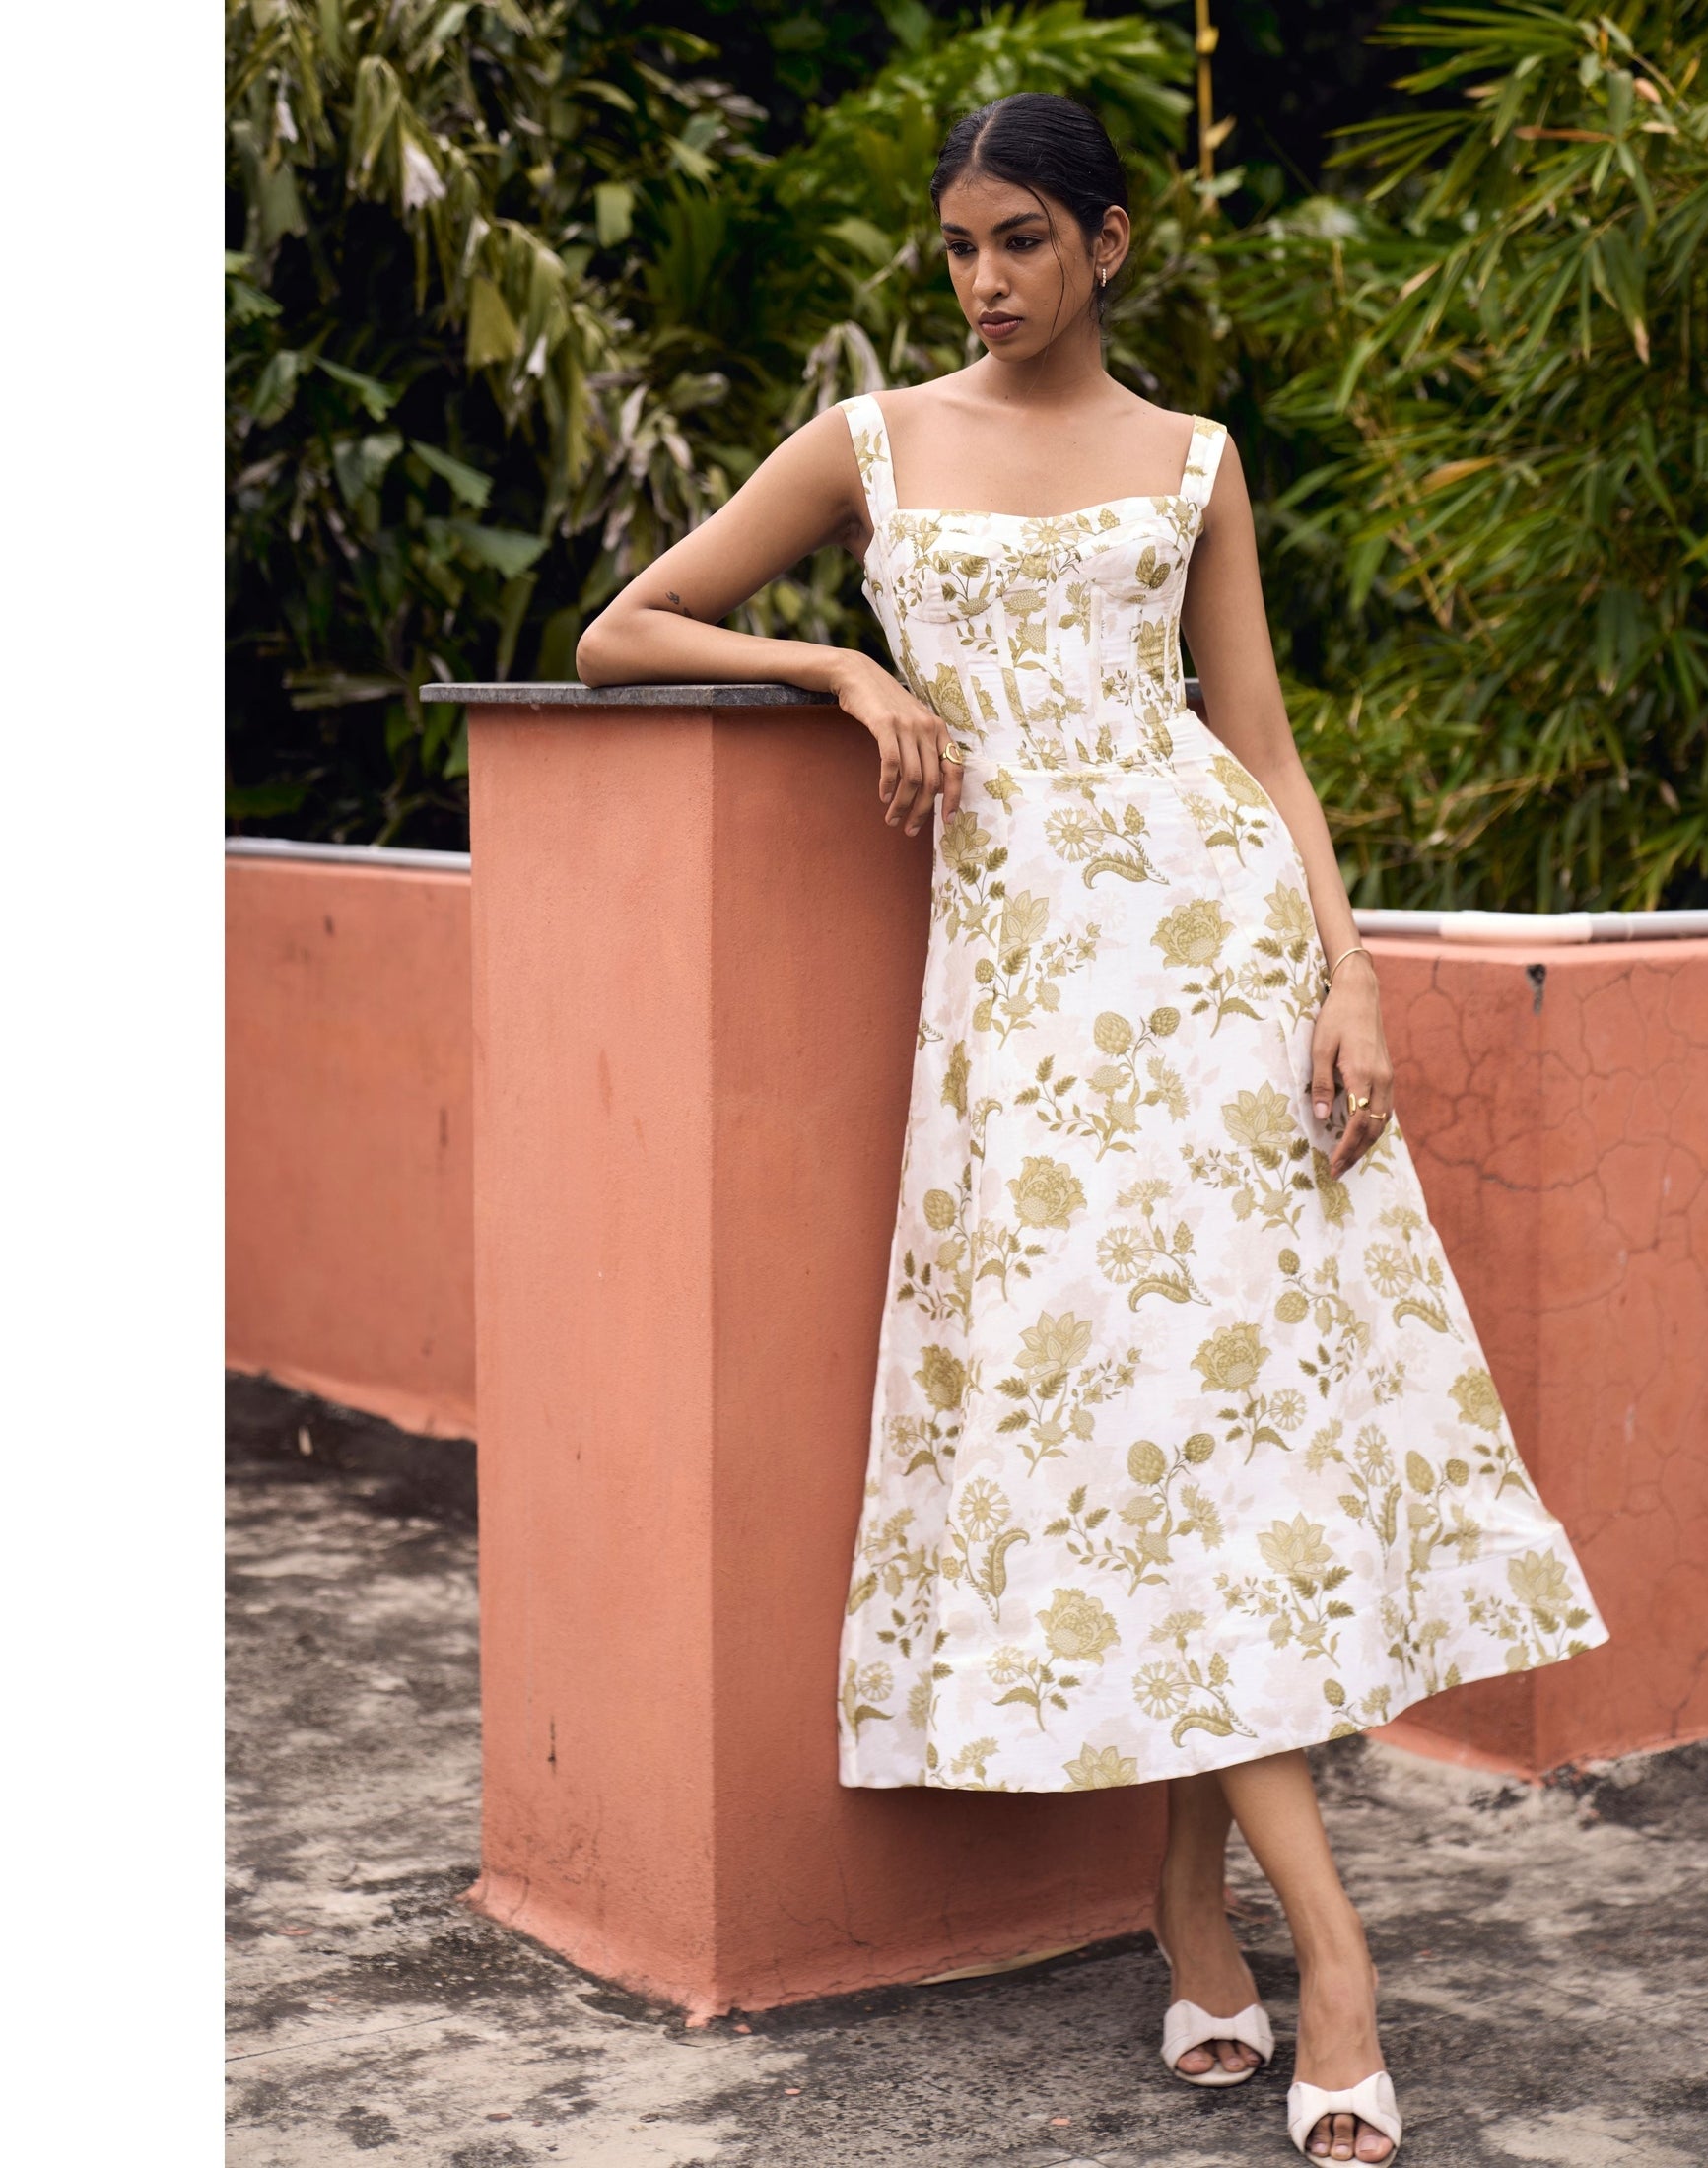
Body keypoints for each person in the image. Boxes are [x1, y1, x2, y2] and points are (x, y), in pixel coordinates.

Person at [577, 89, 1607, 2168]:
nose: (984, 278)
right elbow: (619, 631)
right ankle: (1278, 1930)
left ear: (1108, 242)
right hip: (1033, 1019)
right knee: (1132, 1428)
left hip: (1219, 978)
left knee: (1221, 1434)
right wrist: (843, 671)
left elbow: (1265, 751)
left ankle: (1247, 1929)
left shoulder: (1194, 458)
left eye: (1024, 238)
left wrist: (1349, 980)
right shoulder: (870, 443)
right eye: (961, 243)